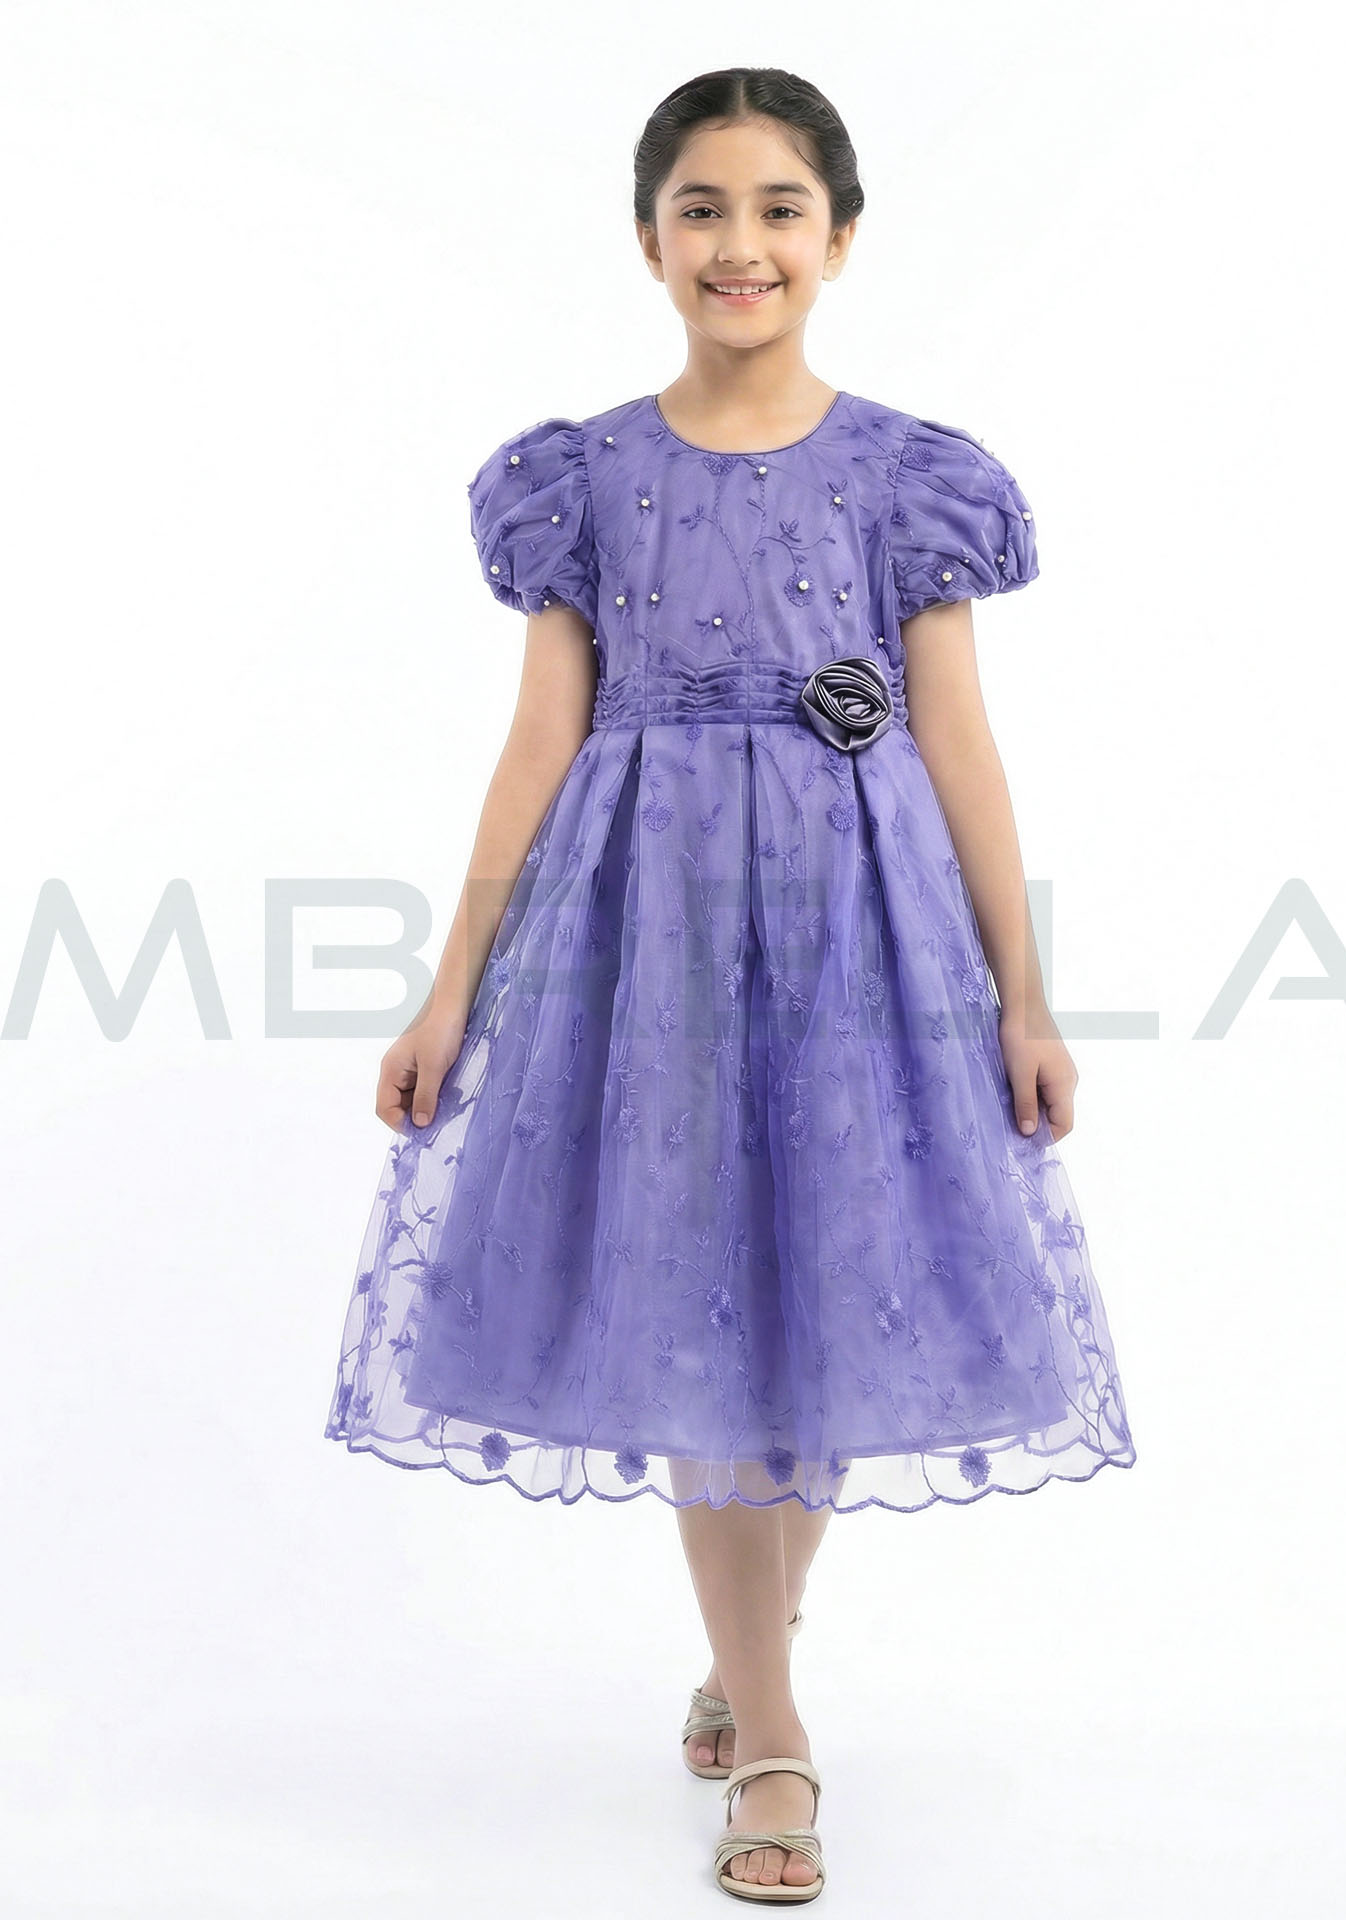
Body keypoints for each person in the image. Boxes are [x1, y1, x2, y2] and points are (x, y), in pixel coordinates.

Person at [324, 65, 1137, 1904]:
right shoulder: (586, 480)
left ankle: (742, 1649)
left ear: (839, 241)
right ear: (648, 240)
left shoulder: (908, 478)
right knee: (695, 1299)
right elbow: (538, 742)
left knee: (828, 1296)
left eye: (780, 208)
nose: (740, 243)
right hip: (647, 932)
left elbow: (962, 745)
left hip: (864, 925)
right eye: (702, 207)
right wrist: (452, 991)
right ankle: (773, 1731)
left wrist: (1023, 997)